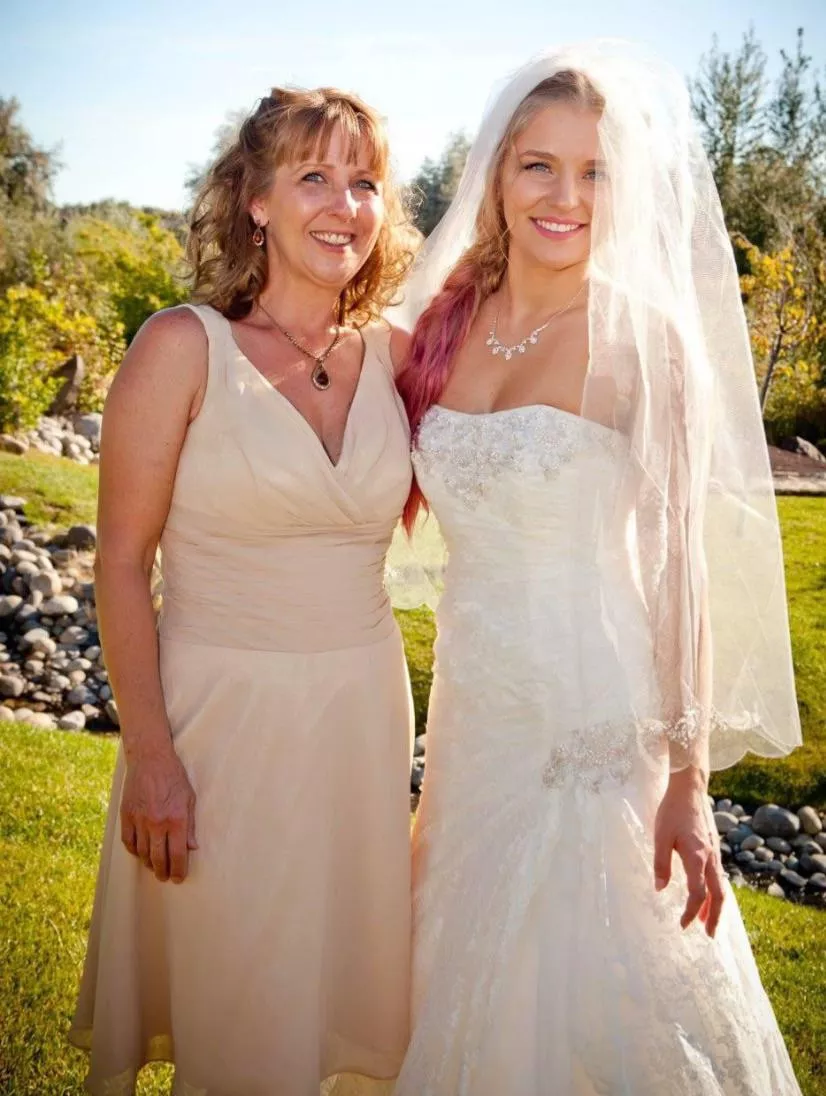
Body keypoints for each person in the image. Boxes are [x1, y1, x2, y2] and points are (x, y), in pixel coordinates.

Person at [394, 42, 803, 1095]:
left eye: (593, 171)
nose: (564, 196)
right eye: (539, 165)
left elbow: (679, 572)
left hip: (595, 717)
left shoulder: (646, 342)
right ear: (496, 172)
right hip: (475, 719)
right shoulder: (442, 326)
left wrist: (688, 782)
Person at [69, 86, 416, 1096]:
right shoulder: (180, 346)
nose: (343, 204)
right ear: (255, 201)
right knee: (239, 1003)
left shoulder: (395, 358)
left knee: (335, 1010)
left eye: (364, 182)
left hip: (360, 718)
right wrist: (151, 758)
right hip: (219, 724)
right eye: (313, 176)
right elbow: (122, 562)